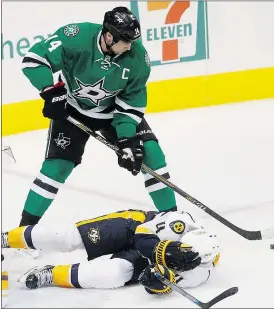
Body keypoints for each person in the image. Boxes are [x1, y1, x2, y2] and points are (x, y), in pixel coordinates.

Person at [19, 6, 177, 228]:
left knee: (152, 155)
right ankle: (24, 232)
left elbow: (130, 104)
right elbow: (34, 59)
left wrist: (125, 139)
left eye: (132, 41)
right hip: (73, 109)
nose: (130, 46)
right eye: (125, 41)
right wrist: (50, 91)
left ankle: (173, 223)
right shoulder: (75, 37)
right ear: (109, 35)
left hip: (114, 114)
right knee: (56, 168)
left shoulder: (138, 58)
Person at [2, 209, 220, 293]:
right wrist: (160, 249)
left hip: (147, 258)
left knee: (112, 275)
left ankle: (50, 273)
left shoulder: (201, 273)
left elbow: (168, 284)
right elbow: (143, 234)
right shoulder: (181, 222)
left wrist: (156, 282)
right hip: (131, 227)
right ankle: (7, 239)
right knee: (68, 237)